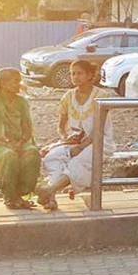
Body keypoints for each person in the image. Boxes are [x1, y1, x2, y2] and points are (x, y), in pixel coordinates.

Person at [36, 59, 109, 211]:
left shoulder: (101, 96)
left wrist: (81, 146)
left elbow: (99, 129)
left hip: (99, 141)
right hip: (75, 141)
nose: (75, 77)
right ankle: (51, 197)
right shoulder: (68, 97)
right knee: (52, 157)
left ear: (90, 75)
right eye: (72, 74)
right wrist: (65, 138)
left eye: (79, 73)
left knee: (78, 162)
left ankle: (50, 190)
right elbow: (61, 126)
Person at [0, 67, 41, 210]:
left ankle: (22, 194)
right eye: (15, 82)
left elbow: (27, 129)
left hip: (19, 142)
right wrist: (6, 144)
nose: (19, 84)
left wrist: (21, 142)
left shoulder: (21, 102)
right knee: (9, 155)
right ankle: (10, 197)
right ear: (3, 84)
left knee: (32, 153)